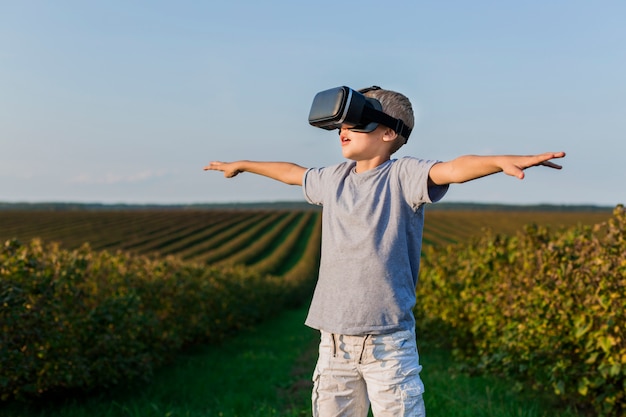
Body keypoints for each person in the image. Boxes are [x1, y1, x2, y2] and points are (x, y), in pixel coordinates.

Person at [204, 86, 565, 417]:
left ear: (388, 132)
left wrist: (499, 160)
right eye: (341, 124)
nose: (343, 130)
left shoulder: (403, 176)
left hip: (388, 345)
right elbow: (292, 172)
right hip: (334, 344)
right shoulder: (334, 179)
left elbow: (454, 168)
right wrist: (243, 164)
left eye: (357, 122)